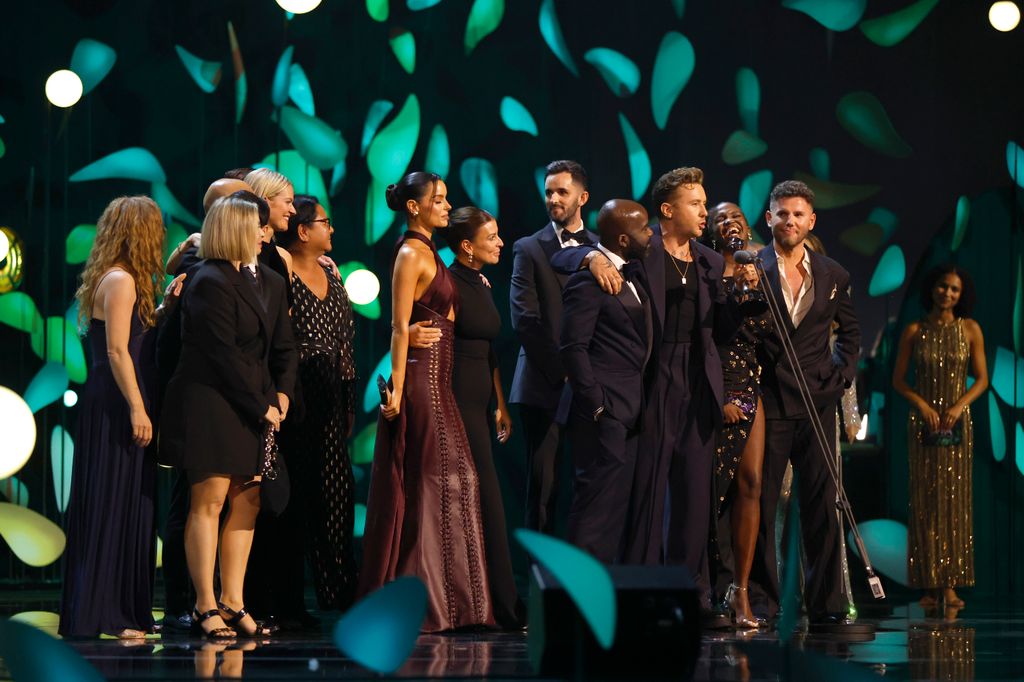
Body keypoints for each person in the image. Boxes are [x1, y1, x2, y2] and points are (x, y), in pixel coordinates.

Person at [553, 168, 749, 624]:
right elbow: (568, 254)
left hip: (697, 381)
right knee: (648, 491)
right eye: (696, 204)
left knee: (694, 496)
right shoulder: (644, 248)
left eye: (705, 203)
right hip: (653, 378)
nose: (705, 211)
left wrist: (739, 300)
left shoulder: (710, 261)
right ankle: (642, 591)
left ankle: (692, 595)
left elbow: (720, 333)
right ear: (668, 210)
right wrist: (590, 259)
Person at [359, 172, 495, 632]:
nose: (446, 206)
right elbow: (399, 326)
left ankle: (452, 605)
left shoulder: (430, 252)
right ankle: (424, 604)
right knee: (434, 485)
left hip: (440, 383)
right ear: (414, 207)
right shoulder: (410, 253)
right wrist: (396, 387)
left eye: (445, 198)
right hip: (420, 383)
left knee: (451, 483)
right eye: (438, 199)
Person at [159, 194, 297, 639]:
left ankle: (233, 601)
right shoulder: (207, 280)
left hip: (257, 402)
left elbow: (284, 346)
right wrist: (262, 405)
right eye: (258, 226)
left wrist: (283, 392)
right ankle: (204, 604)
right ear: (236, 228)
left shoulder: (270, 280)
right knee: (210, 501)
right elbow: (220, 354)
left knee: (248, 500)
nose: (266, 233)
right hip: (211, 402)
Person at [60, 196, 170, 638]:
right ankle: (108, 611)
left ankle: (117, 608)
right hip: (117, 403)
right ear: (142, 234)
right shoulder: (121, 280)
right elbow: (117, 351)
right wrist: (138, 408)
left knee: (123, 502)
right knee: (113, 502)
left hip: (113, 398)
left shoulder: (116, 279)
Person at [751, 180, 860, 625]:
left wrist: (839, 377)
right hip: (770, 403)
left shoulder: (833, 273)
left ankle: (827, 604)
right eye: (783, 213)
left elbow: (850, 333)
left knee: (822, 505)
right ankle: (764, 602)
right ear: (769, 218)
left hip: (816, 403)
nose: (790, 221)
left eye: (798, 214)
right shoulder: (752, 267)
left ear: (811, 220)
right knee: (762, 506)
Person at [427, 206, 522, 628]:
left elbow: (489, 350)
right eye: (492, 237)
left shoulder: (481, 281)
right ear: (467, 246)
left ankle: (495, 601)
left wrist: (500, 403)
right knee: (483, 502)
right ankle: (497, 604)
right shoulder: (448, 284)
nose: (500, 243)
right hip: (458, 402)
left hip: (481, 403)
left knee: (487, 500)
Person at [275, 195, 359, 613]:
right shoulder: (283, 272)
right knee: (298, 497)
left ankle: (339, 589)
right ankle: (289, 598)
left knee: (338, 495)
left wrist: (349, 401)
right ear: (303, 231)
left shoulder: (332, 273)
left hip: (332, 401)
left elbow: (346, 343)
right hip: (299, 398)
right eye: (325, 222)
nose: (332, 229)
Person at [559, 199, 655, 563]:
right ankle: (576, 590)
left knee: (615, 509)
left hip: (630, 410)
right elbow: (573, 347)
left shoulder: (634, 273)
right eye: (643, 229)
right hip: (604, 413)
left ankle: (605, 587)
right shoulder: (588, 281)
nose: (650, 234)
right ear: (624, 239)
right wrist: (598, 405)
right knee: (594, 508)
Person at [893, 264, 986, 608]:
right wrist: (922, 404)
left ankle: (950, 586)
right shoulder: (914, 330)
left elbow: (982, 378)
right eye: (943, 286)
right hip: (924, 424)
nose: (947, 293)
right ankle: (928, 585)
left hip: (957, 424)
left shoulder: (970, 329)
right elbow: (898, 380)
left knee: (955, 501)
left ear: (962, 295)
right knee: (925, 501)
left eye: (954, 289)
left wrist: (960, 405)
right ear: (932, 288)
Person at [510, 160, 593, 534]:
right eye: (548, 192)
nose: (553, 199)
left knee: (588, 486)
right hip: (544, 384)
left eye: (562, 191)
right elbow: (525, 320)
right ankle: (538, 568)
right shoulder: (528, 248)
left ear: (583, 197)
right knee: (543, 488)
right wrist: (563, 370)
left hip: (590, 387)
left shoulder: (601, 248)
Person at [703, 203, 772, 629]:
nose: (730, 223)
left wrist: (753, 285)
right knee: (713, 491)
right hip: (715, 384)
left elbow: (765, 331)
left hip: (749, 382)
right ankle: (712, 585)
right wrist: (717, 397)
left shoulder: (760, 269)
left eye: (735, 217)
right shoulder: (706, 271)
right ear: (712, 232)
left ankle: (742, 590)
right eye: (720, 219)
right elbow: (707, 336)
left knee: (752, 482)